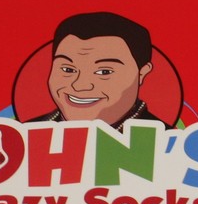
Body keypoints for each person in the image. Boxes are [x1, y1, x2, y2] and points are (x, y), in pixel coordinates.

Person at [26, 12, 172, 129]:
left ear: (141, 73)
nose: (80, 85)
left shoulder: (167, 142)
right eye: (68, 69)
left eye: (104, 72)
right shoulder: (23, 134)